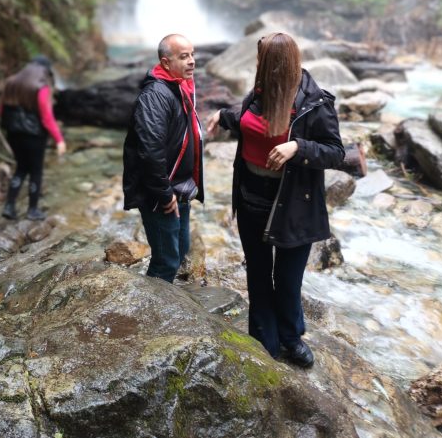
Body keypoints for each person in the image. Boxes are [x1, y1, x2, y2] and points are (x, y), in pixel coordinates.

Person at [206, 33, 344, 368]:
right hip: (251, 198)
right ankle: (264, 340)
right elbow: (248, 118)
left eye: (260, 59)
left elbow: (336, 153)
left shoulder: (315, 104)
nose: (256, 64)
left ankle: (291, 337)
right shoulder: (259, 92)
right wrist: (223, 116)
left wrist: (298, 148)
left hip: (293, 206)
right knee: (257, 271)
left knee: (286, 278)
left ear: (274, 64)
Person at [123, 34, 204, 283]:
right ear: (166, 63)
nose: (191, 61)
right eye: (184, 56)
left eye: (192, 55)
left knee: (178, 252)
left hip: (179, 188)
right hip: (161, 193)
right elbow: (150, 148)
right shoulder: (156, 95)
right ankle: (149, 317)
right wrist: (163, 192)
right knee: (166, 261)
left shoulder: (179, 87)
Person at [0, 55, 66, 221]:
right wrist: (59, 139)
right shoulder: (40, 87)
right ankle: (33, 210)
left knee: (21, 168)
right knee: (36, 171)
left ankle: (9, 206)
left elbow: (1, 109)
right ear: (44, 70)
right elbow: (46, 117)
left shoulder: (11, 82)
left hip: (13, 133)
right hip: (34, 136)